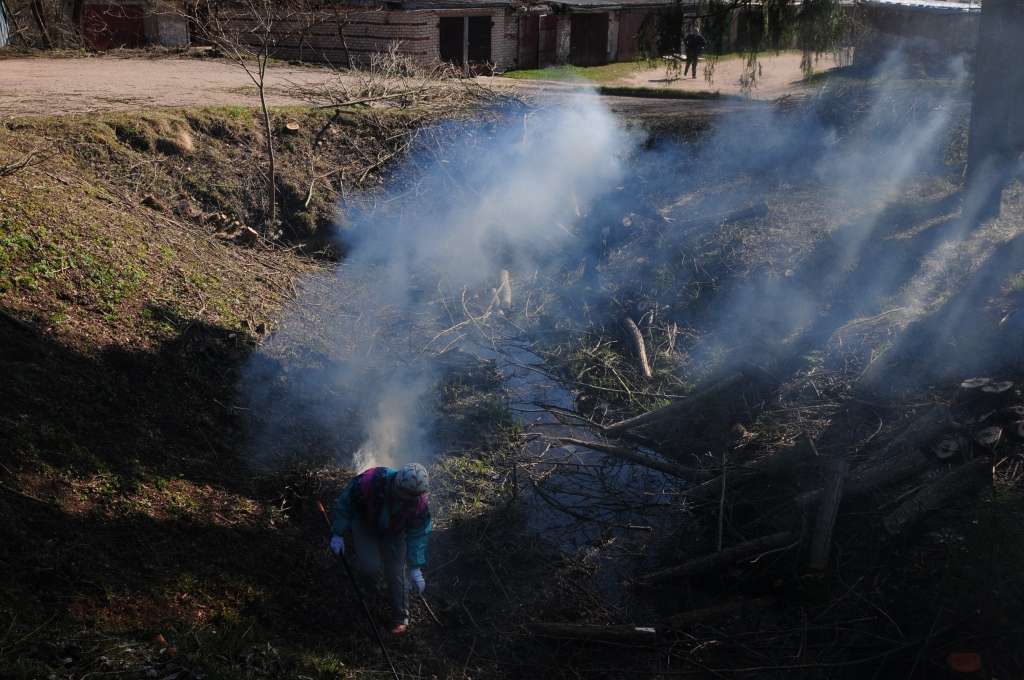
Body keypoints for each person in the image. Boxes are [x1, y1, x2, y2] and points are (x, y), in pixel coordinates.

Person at [329, 462, 432, 635]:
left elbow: (418, 533)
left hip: (395, 531)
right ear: (398, 484)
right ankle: (368, 588)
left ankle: (400, 617)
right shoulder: (371, 481)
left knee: (396, 571)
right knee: (370, 566)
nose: (408, 499)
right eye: (406, 494)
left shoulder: (418, 503)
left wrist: (416, 567)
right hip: (365, 523)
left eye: (413, 496)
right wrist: (337, 533)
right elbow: (346, 502)